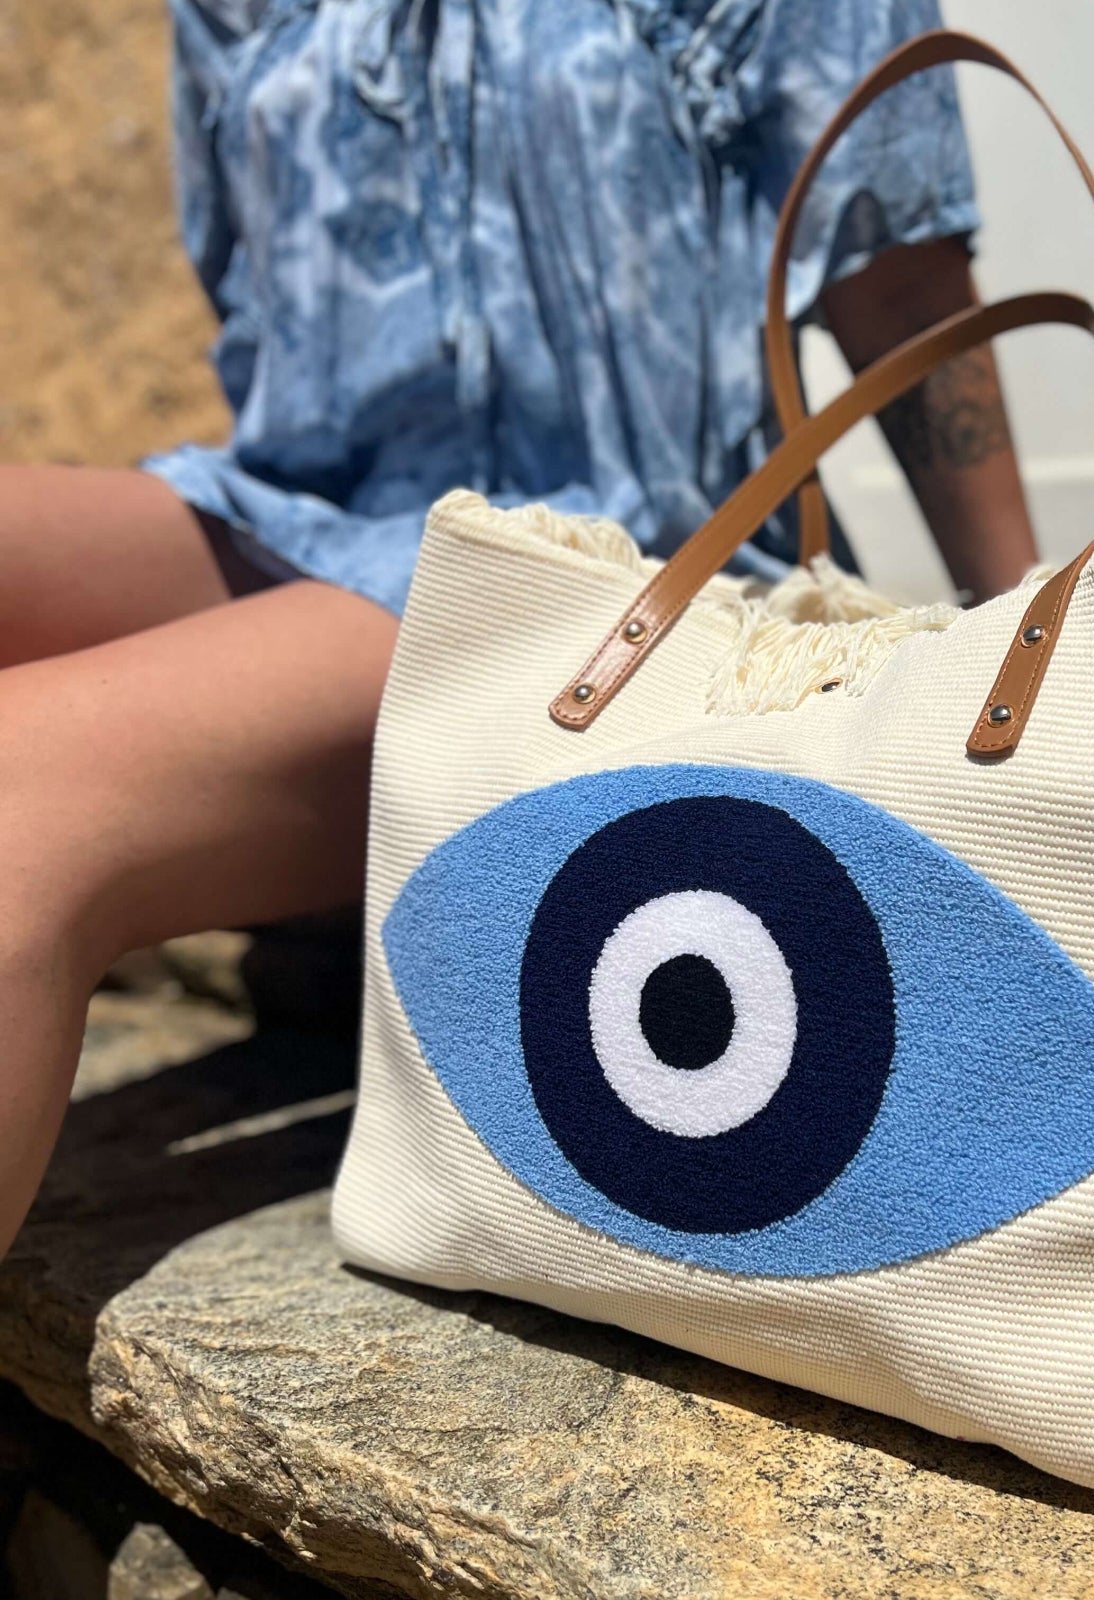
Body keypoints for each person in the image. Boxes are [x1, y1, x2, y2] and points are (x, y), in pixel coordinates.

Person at [0, 0, 1038, 1255]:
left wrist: (1036, 622)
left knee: (24, 788)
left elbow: (906, 280)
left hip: (613, 570)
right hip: (305, 515)